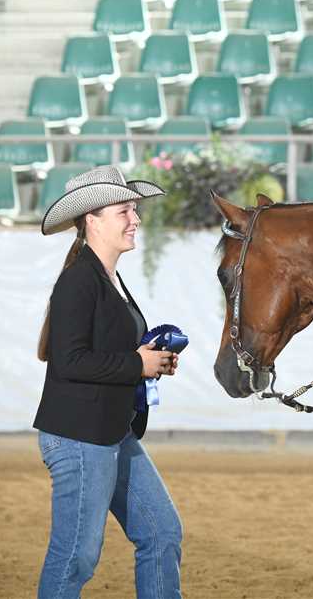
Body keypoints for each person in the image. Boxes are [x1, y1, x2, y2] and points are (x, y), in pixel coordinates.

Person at [34, 165, 183, 599]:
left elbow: (106, 351)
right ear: (93, 221)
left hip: (108, 432)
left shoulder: (106, 277)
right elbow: (69, 360)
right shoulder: (80, 279)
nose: (135, 218)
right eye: (124, 211)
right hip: (80, 436)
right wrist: (136, 364)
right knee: (76, 556)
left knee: (161, 532)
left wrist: (151, 359)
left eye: (133, 209)